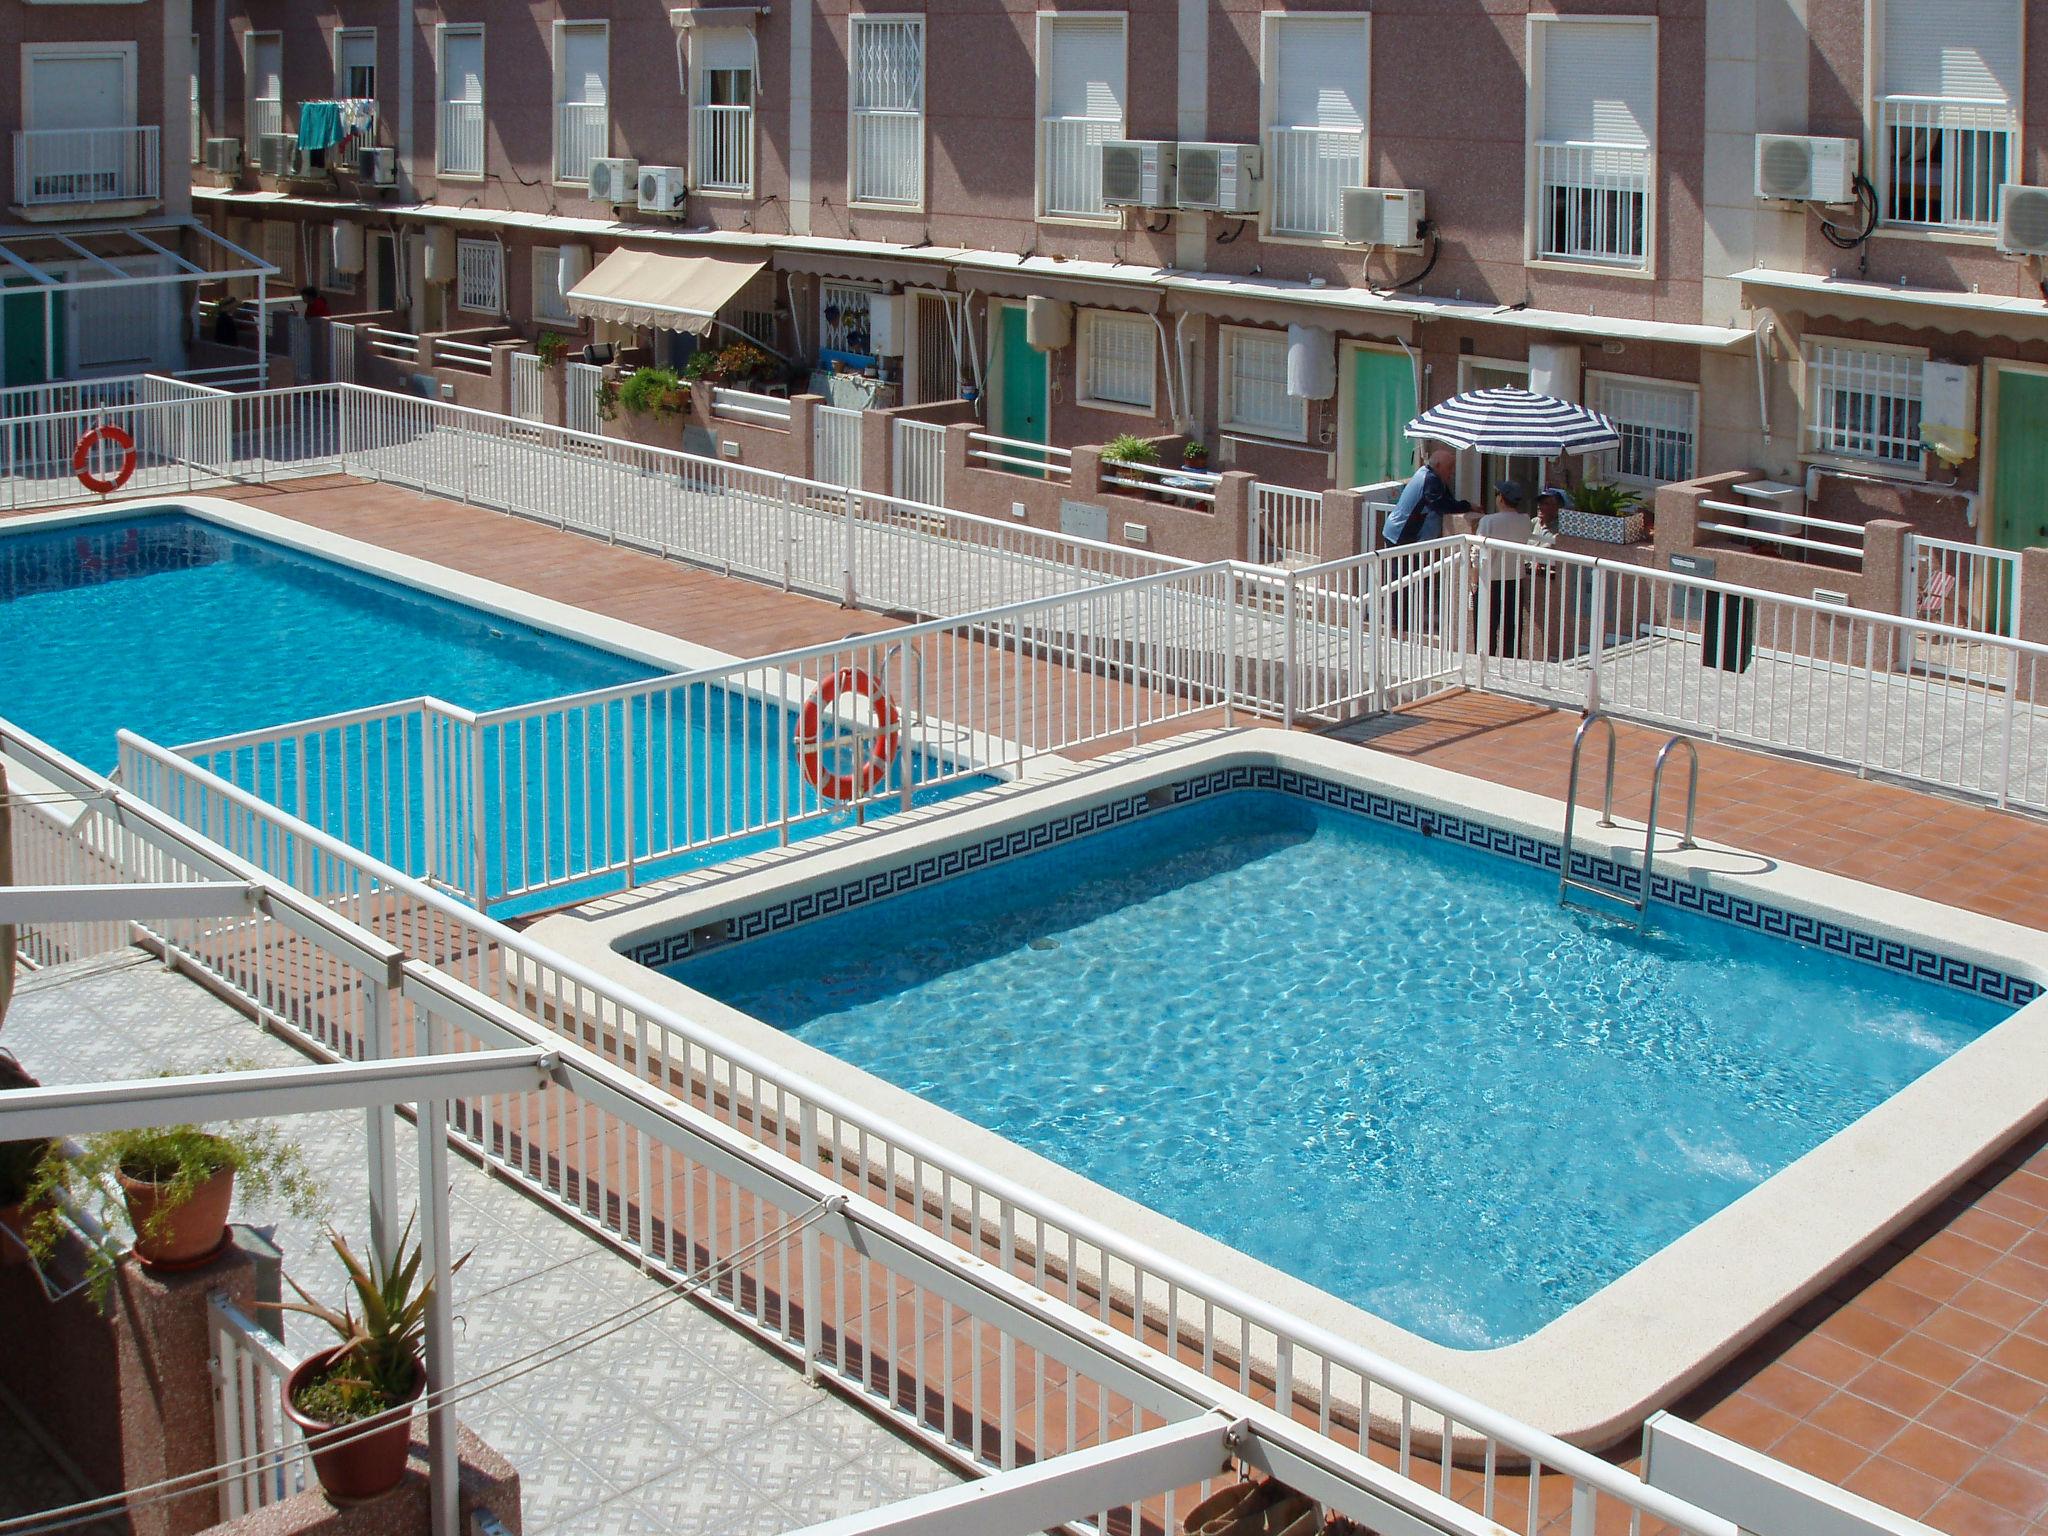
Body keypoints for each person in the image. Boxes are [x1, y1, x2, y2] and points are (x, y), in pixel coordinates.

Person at [1474, 481, 1534, 658]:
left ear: (1501, 498)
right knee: (1511, 627)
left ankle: (1483, 665)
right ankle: (1510, 665)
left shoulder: (1488, 521)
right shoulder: (1524, 521)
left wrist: (1474, 581)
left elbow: (1476, 554)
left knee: (1486, 628)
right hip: (1515, 580)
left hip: (1490, 580)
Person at [1380, 446, 1471, 548]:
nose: (1452, 471)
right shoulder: (1430, 480)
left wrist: (1468, 506)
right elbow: (1442, 505)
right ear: (1438, 466)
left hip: (1400, 533)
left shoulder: (1428, 473)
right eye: (1449, 467)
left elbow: (1447, 498)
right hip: (1400, 535)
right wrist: (1468, 506)